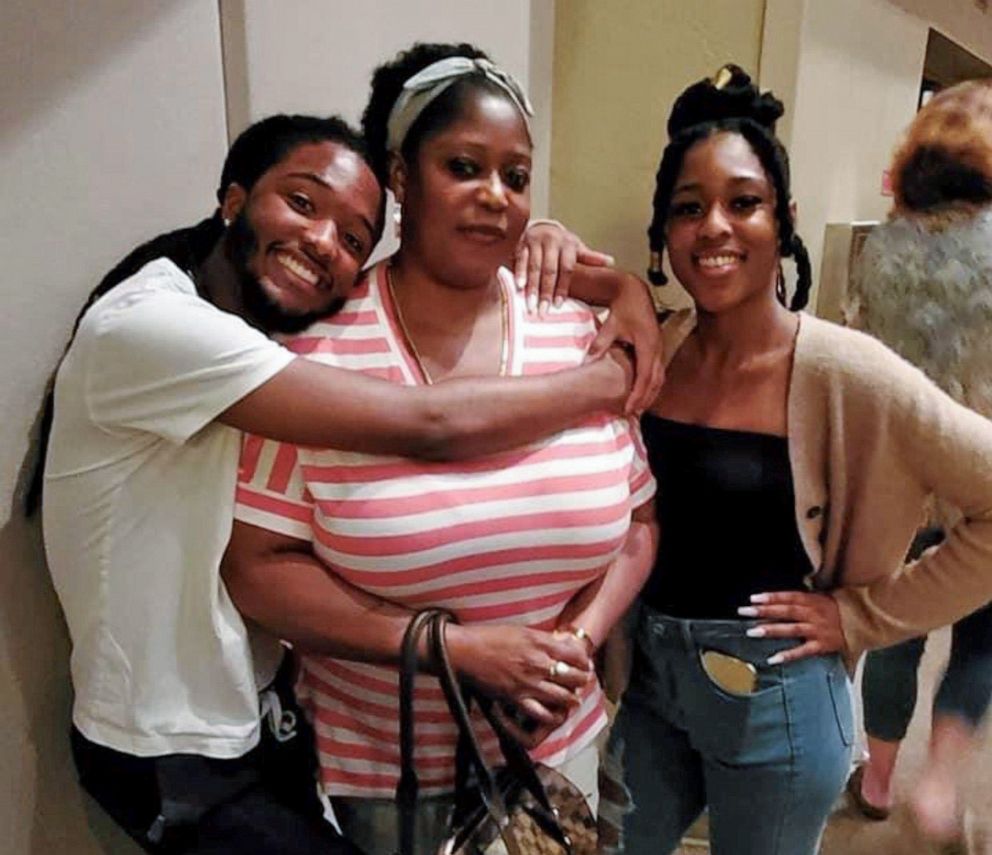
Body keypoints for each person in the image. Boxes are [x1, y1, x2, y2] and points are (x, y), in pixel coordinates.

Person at [36, 112, 662, 853]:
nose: (323, 244)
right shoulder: (156, 330)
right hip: (171, 740)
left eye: (354, 238)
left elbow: (638, 519)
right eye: (302, 203)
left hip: (259, 715)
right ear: (233, 198)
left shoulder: (253, 327)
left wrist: (618, 283)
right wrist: (610, 376)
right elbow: (430, 421)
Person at [224, 42, 659, 854]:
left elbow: (639, 523)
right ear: (400, 176)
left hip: (560, 759)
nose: (494, 197)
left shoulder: (575, 329)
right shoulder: (315, 349)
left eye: (517, 177)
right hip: (385, 781)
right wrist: (453, 650)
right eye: (463, 167)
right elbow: (255, 567)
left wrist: (578, 639)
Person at [605, 65, 992, 855]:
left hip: (775, 700)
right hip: (647, 683)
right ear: (664, 233)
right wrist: (600, 275)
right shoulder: (656, 349)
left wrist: (863, 615)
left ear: (783, 219)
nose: (714, 226)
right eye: (688, 208)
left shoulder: (846, 371)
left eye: (743, 203)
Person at [842, 78, 992, 845]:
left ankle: (875, 774)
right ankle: (937, 785)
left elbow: (857, 351)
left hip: (901, 478)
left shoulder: (881, 246)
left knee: (899, 625)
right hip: (986, 480)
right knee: (985, 634)